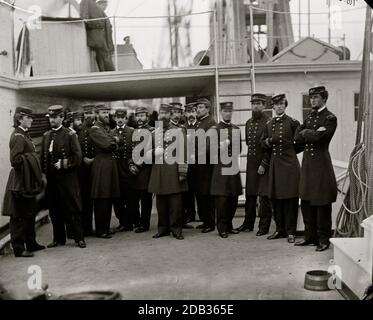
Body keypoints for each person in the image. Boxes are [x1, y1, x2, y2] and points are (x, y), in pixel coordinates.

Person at [294, 86, 338, 252]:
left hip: (321, 165)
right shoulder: (310, 116)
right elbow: (297, 137)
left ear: (324, 99)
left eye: (316, 97)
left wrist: (306, 132)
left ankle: (323, 240)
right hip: (308, 166)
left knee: (322, 203)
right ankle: (309, 237)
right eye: (311, 97)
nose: (312, 100)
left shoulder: (330, 118)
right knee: (306, 202)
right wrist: (308, 132)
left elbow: (322, 137)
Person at [2, 107, 45, 258]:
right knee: (19, 215)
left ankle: (31, 243)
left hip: (26, 180)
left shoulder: (24, 135)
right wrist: (32, 158)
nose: (32, 120)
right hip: (20, 181)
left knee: (29, 212)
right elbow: (15, 160)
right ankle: (19, 248)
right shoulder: (18, 136)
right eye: (29, 117)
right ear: (20, 119)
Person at [41, 105, 86, 249]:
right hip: (52, 180)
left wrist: (64, 163)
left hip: (67, 178)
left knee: (72, 208)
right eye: (51, 118)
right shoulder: (46, 136)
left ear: (62, 118)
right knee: (55, 210)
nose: (52, 120)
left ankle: (79, 238)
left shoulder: (70, 134)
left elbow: (78, 157)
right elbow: (43, 158)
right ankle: (58, 238)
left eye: (55, 117)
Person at [262, 94, 301, 244]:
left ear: (285, 105)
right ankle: (280, 230)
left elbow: (300, 143)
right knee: (276, 198)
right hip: (276, 165)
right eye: (276, 105)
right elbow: (263, 143)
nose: (279, 107)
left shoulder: (292, 122)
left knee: (291, 198)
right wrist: (269, 141)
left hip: (290, 165)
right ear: (273, 107)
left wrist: (289, 153)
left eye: (281, 104)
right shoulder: (269, 124)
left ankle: (291, 231)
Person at [148, 104, 188, 240]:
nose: (163, 116)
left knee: (175, 204)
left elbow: (183, 152)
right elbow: (146, 153)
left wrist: (182, 172)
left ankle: (176, 229)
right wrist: (154, 152)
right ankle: (163, 228)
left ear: (170, 116)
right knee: (161, 204)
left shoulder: (179, 131)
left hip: (173, 170)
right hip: (159, 171)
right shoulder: (154, 132)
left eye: (166, 113)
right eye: (161, 113)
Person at [235, 94, 273, 236]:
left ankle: (264, 227)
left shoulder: (269, 122)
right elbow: (248, 145)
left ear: (264, 105)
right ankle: (248, 223)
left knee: (263, 197)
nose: (255, 106)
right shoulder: (248, 123)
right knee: (250, 194)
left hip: (264, 163)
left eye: (258, 103)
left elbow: (270, 147)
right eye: (253, 103)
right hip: (251, 163)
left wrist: (264, 164)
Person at [210, 102, 243, 238]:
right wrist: (221, 146)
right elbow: (210, 150)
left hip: (233, 168)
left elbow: (239, 149)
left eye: (230, 111)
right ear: (221, 112)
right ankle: (222, 227)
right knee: (222, 200)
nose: (228, 113)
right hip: (221, 168)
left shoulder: (236, 129)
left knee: (233, 199)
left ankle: (229, 225)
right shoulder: (215, 129)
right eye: (225, 111)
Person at [89, 104, 120, 238]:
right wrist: (115, 140)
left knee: (107, 198)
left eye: (107, 112)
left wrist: (112, 141)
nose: (106, 114)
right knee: (102, 198)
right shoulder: (95, 129)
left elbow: (110, 143)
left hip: (107, 167)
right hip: (102, 168)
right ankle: (101, 230)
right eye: (103, 112)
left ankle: (104, 228)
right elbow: (109, 145)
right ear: (97, 114)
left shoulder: (103, 128)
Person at [111, 108, 139, 232]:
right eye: (118, 117)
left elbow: (136, 150)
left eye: (123, 117)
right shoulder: (110, 133)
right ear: (115, 119)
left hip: (127, 167)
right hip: (116, 168)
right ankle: (123, 221)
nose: (120, 119)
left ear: (126, 119)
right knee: (118, 198)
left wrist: (134, 165)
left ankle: (134, 220)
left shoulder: (132, 132)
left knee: (131, 197)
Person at [194, 98, 217, 233]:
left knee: (206, 193)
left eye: (201, 107)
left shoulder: (211, 123)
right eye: (197, 107)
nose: (198, 109)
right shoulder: (199, 123)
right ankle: (204, 220)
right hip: (198, 163)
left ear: (208, 109)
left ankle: (210, 222)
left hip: (206, 163)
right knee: (199, 193)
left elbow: (209, 145)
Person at [170, 102, 193, 230]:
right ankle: (173, 222)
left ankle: (182, 220)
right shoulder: (166, 128)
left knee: (182, 195)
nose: (176, 115)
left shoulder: (183, 128)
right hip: (171, 165)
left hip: (182, 164)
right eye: (174, 112)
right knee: (173, 195)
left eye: (179, 112)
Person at [132, 106, 155, 233]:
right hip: (135, 170)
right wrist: (131, 164)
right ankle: (137, 221)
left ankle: (144, 223)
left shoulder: (152, 131)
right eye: (138, 115)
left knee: (145, 198)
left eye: (142, 115)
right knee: (135, 198)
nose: (139, 118)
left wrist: (138, 165)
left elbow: (151, 152)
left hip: (146, 170)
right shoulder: (135, 131)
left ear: (147, 117)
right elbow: (131, 150)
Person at [77, 104, 97, 236]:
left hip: (97, 167)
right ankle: (87, 228)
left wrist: (95, 159)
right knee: (85, 199)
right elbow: (77, 148)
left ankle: (101, 227)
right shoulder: (80, 130)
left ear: (95, 113)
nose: (88, 115)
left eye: (90, 113)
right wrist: (83, 158)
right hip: (84, 169)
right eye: (86, 113)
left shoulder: (100, 127)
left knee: (98, 198)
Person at [80, 0, 115, 72]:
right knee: (104, 56)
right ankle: (110, 72)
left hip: (97, 35)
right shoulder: (89, 3)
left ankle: (109, 72)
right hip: (99, 35)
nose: (105, 7)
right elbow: (85, 18)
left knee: (103, 56)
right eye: (104, 5)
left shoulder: (88, 3)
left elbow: (85, 18)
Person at [183, 102, 199, 223]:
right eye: (188, 112)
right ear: (185, 113)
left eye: (193, 111)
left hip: (199, 164)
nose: (191, 114)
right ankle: (190, 214)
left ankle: (203, 215)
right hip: (187, 163)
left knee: (200, 190)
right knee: (188, 191)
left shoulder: (200, 127)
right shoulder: (182, 128)